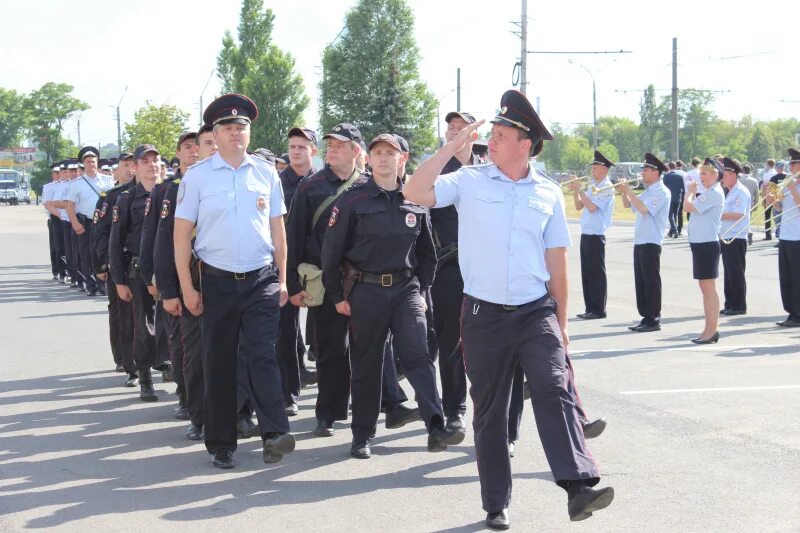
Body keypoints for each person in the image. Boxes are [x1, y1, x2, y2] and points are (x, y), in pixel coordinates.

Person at [404, 90, 613, 528]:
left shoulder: (549, 192)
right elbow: (415, 189)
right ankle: (495, 502)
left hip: (535, 312)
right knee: (491, 413)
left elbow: (557, 260)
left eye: (500, 135)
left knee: (555, 390)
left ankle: (578, 488)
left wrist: (562, 322)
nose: (490, 141)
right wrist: (450, 149)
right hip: (483, 316)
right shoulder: (470, 180)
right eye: (491, 134)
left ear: (525, 143)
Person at [321, 133, 463, 460]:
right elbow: (331, 253)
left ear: (402, 159)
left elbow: (429, 253)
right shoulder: (352, 201)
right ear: (368, 160)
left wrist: (421, 289)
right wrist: (336, 296)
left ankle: (436, 425)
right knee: (367, 364)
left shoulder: (414, 199)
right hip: (366, 291)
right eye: (378, 153)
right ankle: (362, 436)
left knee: (418, 354)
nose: (384, 158)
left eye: (391, 153)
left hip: (405, 290)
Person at [174, 93, 296, 469]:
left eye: (241, 127)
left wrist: (284, 279)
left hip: (261, 279)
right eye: (227, 128)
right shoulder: (197, 177)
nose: (235, 133)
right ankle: (222, 443)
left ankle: (275, 433)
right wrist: (187, 288)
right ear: (215, 133)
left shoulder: (265, 173)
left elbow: (278, 229)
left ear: (248, 131)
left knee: (262, 355)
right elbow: (180, 236)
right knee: (220, 362)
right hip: (217, 281)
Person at [157, 124, 217, 441]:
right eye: (205, 143)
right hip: (192, 281)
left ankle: (238, 413)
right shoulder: (175, 189)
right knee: (194, 356)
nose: (210, 148)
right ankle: (198, 415)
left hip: (233, 282)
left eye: (213, 142)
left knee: (236, 353)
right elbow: (165, 244)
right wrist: (169, 291)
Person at [140, 131, 199, 419]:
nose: (195, 151)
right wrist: (158, 282)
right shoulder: (165, 191)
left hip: (210, 277)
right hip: (176, 279)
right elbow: (154, 240)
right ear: (178, 153)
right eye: (188, 147)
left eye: (199, 145)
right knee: (180, 342)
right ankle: (186, 397)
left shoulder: (215, 184)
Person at [277, 127, 319, 416]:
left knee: (329, 334)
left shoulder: (325, 182)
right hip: (286, 266)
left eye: (301, 147)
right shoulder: (276, 183)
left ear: (313, 150)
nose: (295, 151)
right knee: (285, 334)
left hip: (320, 266)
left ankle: (333, 397)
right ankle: (289, 393)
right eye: (292, 147)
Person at [94, 152, 137, 384]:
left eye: (133, 165)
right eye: (125, 165)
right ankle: (123, 358)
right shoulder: (109, 197)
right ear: (116, 171)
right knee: (121, 313)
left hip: (142, 262)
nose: (130, 169)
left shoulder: (153, 192)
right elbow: (100, 233)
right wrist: (103, 263)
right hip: (117, 262)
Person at [618, 153, 671, 332]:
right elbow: (629, 206)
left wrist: (629, 191)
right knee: (641, 280)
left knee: (651, 280)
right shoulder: (649, 191)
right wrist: (624, 192)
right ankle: (645, 316)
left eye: (646, 170)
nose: (643, 173)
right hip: (641, 240)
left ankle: (654, 317)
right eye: (643, 169)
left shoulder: (662, 191)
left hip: (651, 240)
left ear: (656, 172)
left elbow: (644, 208)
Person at [570, 150, 615, 319]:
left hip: (596, 234)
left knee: (596, 273)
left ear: (604, 169)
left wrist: (581, 190)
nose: (592, 171)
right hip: (586, 233)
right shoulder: (594, 185)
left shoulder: (606, 187)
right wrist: (576, 191)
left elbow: (592, 207)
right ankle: (590, 307)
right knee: (587, 273)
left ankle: (598, 309)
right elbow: (579, 206)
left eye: (595, 168)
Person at [684, 159, 724, 343]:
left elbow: (688, 207)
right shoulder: (708, 192)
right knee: (705, 288)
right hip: (701, 243)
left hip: (707, 244)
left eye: (705, 174)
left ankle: (712, 330)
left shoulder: (714, 192)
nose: (702, 177)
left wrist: (689, 193)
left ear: (716, 175)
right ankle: (708, 329)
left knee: (709, 289)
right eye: (701, 174)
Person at [719, 158, 751, 316]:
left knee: (736, 272)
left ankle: (739, 305)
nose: (722, 177)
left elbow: (739, 214)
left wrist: (718, 214)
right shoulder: (730, 192)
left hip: (737, 237)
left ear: (733, 174)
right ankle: (730, 303)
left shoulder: (741, 191)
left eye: (724, 174)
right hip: (727, 236)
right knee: (729, 272)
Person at [772, 148, 800, 327]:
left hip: (798, 237)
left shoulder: (793, 185)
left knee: (798, 277)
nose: (791, 167)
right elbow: (780, 208)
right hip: (786, 235)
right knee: (786, 276)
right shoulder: (791, 183)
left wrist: (791, 187)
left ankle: (798, 314)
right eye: (790, 164)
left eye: (794, 164)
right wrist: (775, 198)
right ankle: (791, 312)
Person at [663, 161, 685, 238]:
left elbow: (663, 188)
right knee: (674, 215)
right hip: (678, 198)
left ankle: (675, 231)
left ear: (669, 167)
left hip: (669, 198)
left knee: (670, 216)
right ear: (675, 167)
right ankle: (671, 232)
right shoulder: (680, 177)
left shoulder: (666, 176)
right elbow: (683, 189)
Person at [738, 164, 759, 245]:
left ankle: (746, 232)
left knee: (741, 220)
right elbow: (756, 194)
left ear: (743, 171)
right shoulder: (754, 180)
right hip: (750, 202)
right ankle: (748, 231)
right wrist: (756, 204)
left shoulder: (739, 180)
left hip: (740, 202)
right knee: (748, 219)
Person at [762, 159, 778, 240]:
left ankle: (768, 235)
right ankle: (778, 233)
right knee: (777, 215)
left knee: (767, 216)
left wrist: (764, 198)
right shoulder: (776, 173)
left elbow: (764, 188)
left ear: (768, 164)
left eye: (766, 163)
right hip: (777, 197)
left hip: (768, 196)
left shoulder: (767, 174)